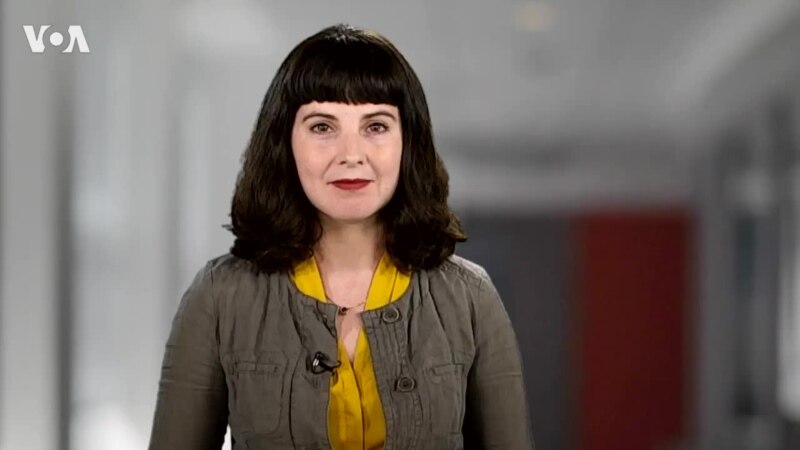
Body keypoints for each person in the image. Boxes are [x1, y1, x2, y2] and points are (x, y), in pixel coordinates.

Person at [148, 23, 533, 450]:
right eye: (322, 127)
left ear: (408, 143)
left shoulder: (471, 298)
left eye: (376, 126)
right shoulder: (220, 297)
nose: (351, 155)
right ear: (284, 142)